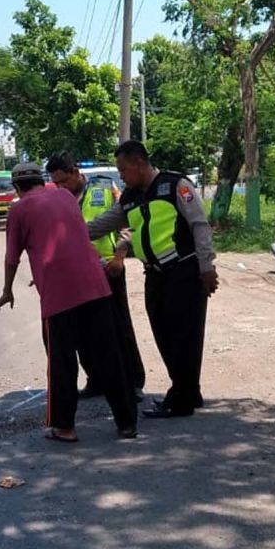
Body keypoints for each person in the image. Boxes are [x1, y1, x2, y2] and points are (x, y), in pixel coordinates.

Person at [0, 163, 138, 442]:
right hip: (95, 285)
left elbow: (12, 258)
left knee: (61, 362)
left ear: (16, 188)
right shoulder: (65, 197)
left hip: (59, 296)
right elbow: (74, 239)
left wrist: (7, 290)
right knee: (109, 355)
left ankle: (65, 427)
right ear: (42, 180)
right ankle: (127, 423)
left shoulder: (19, 210)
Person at [86, 140, 219, 419]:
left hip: (184, 272)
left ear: (138, 162)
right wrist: (72, 233)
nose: (120, 176)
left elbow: (199, 225)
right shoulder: (130, 197)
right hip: (155, 277)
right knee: (164, 337)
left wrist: (207, 267)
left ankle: (181, 399)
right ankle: (188, 392)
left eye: (123, 169)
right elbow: (103, 223)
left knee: (185, 338)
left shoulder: (175, 185)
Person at [46, 151, 147, 402]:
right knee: (84, 329)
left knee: (119, 326)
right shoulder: (58, 198)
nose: (60, 187)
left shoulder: (105, 187)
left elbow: (127, 222)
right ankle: (97, 380)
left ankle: (132, 382)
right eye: (55, 183)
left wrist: (120, 256)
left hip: (108, 268)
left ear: (75, 172)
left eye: (63, 181)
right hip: (77, 272)